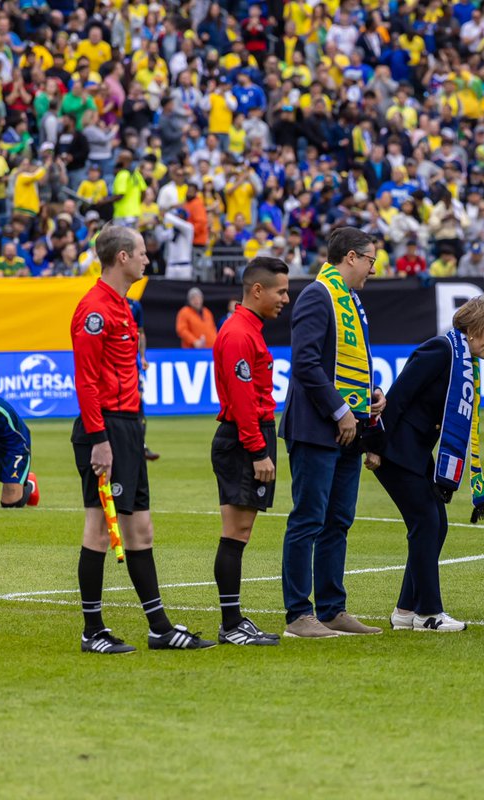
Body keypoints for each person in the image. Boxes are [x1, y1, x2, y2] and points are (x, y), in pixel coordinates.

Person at [70, 226, 215, 653]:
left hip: (128, 428)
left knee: (142, 531)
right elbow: (87, 381)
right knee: (98, 529)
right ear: (121, 258)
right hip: (107, 429)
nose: (147, 260)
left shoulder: (122, 307)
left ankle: (159, 628)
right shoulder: (94, 310)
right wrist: (100, 439)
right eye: (141, 254)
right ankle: (92, 631)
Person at [366, 294, 484, 633]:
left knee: (434, 524)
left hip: (414, 452)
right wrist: (374, 448)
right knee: (427, 523)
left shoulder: (459, 357)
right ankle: (429, 613)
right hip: (397, 451)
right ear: (473, 329)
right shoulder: (440, 351)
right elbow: (397, 398)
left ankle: (404, 610)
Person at [280, 227, 385, 639]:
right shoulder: (317, 296)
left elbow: (349, 360)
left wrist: (370, 397)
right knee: (308, 518)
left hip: (348, 427)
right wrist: (341, 409)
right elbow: (305, 363)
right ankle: (297, 614)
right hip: (316, 427)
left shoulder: (351, 301)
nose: (373, 270)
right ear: (352, 257)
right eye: (371, 260)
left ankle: (332, 608)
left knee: (338, 520)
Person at [211, 257, 291, 646]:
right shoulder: (240, 334)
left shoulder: (248, 330)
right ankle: (231, 624)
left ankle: (233, 621)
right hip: (245, 438)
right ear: (257, 290)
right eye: (280, 291)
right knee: (236, 532)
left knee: (239, 532)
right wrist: (259, 451)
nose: (285, 298)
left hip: (248, 436)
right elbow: (243, 401)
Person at [127, 298, 160, 462]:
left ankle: (140, 443)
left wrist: (142, 356)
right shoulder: (106, 305)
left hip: (133, 364)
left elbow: (140, 332)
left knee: (138, 402)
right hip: (117, 366)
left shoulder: (134, 306)